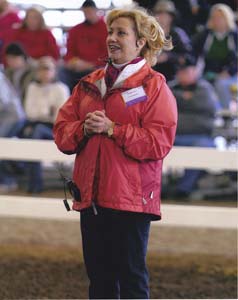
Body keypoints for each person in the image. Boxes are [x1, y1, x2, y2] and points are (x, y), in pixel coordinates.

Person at [54, 7, 177, 299]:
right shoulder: (89, 84)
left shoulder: (154, 86)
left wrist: (114, 129)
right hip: (91, 198)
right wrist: (83, 129)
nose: (112, 38)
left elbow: (158, 142)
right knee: (99, 280)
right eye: (111, 32)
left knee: (132, 278)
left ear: (140, 42)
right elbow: (61, 133)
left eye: (121, 32)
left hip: (131, 200)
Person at [168, 55, 219, 199]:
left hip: (200, 136)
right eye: (181, 71)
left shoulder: (205, 88)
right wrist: (184, 97)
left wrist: (180, 100)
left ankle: (183, 190)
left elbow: (203, 104)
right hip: (173, 136)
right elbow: (165, 104)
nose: (183, 74)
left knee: (203, 148)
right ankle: (157, 190)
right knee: (154, 145)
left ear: (195, 71)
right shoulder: (170, 87)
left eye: (187, 71)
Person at [21, 56, 69, 193]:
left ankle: (35, 184)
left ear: (54, 71)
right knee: (31, 133)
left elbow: (61, 116)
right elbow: (29, 112)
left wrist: (44, 113)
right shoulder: (32, 87)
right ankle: (34, 183)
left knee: (34, 133)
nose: (44, 72)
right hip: (36, 124)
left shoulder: (61, 88)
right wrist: (48, 111)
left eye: (47, 69)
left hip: (56, 128)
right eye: (41, 69)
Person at [192, 3, 238, 109]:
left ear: (227, 19)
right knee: (201, 86)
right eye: (215, 17)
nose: (217, 20)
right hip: (208, 73)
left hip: (231, 74)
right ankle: (207, 115)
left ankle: (226, 115)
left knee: (221, 85)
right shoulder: (204, 35)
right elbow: (193, 53)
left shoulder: (235, 36)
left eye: (221, 17)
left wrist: (229, 72)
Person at [59, 0, 108, 92]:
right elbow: (69, 53)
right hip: (78, 66)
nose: (88, 15)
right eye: (85, 12)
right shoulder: (75, 30)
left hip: (96, 67)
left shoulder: (106, 29)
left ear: (96, 11)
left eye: (90, 12)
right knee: (61, 72)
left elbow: (108, 54)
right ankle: (67, 101)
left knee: (101, 74)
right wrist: (73, 62)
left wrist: (91, 65)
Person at [152, 0, 193, 81]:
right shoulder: (149, 35)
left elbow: (189, 58)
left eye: (165, 15)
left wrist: (168, 57)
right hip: (152, 76)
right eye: (159, 14)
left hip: (174, 77)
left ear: (171, 17)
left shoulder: (178, 35)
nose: (162, 18)